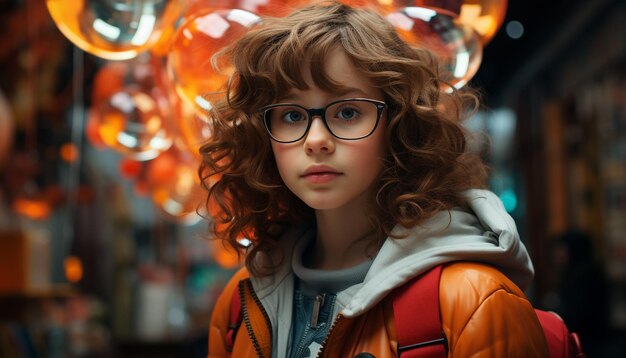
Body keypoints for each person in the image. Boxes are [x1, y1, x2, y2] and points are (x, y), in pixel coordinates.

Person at [200, 1, 549, 357]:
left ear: (397, 125)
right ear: (264, 135)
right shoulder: (239, 303)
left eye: (348, 111)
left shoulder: (474, 301)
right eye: (291, 115)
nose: (316, 140)